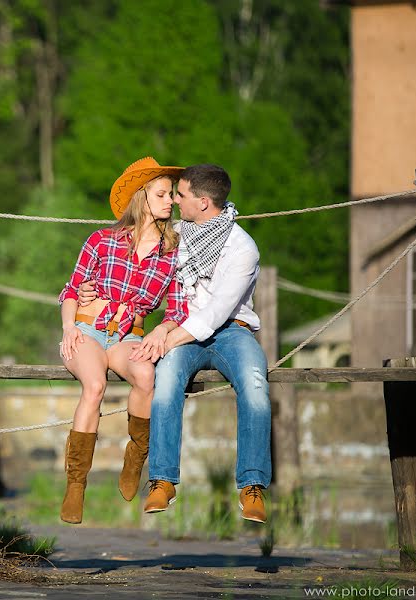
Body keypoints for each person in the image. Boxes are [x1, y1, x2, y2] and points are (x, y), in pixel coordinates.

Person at [79, 163, 271, 523]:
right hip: (181, 330)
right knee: (164, 383)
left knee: (255, 384)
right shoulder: (179, 234)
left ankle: (252, 486)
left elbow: (215, 313)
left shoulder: (243, 248)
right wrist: (87, 289)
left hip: (231, 329)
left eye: (180, 195)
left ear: (201, 202)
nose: (175, 202)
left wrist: (163, 334)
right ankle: (162, 481)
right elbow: (129, 247)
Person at [57, 157, 189, 524]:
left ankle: (136, 457)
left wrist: (162, 331)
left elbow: (177, 307)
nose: (171, 201)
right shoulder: (102, 239)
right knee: (95, 386)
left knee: (147, 377)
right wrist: (69, 327)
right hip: (86, 328)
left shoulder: (174, 253)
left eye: (172, 195)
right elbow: (71, 289)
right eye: (162, 194)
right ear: (141, 198)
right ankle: (76, 483)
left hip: (128, 334)